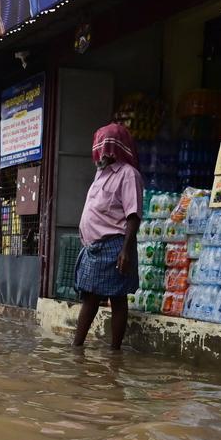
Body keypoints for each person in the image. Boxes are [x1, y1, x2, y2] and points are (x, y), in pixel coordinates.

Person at [73, 122, 143, 350]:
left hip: (115, 245)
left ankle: (113, 351)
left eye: (108, 148)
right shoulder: (100, 173)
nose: (104, 153)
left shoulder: (128, 175)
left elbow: (133, 215)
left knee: (117, 298)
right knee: (91, 297)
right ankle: (78, 347)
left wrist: (125, 250)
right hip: (94, 247)